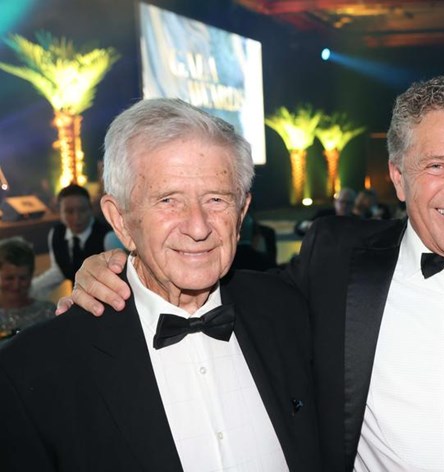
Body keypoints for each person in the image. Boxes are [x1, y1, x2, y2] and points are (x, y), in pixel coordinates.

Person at [65, 75, 444, 472]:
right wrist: (113, 264)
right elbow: (209, 278)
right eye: (436, 165)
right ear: (397, 176)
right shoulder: (335, 258)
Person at [0, 98, 320, 471]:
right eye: (169, 200)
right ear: (119, 221)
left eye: (216, 199)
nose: (198, 227)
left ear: (242, 211)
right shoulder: (34, 370)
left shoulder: (290, 310)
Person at [30, 183, 110, 298]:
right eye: (69, 211)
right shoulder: (57, 234)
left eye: (82, 210)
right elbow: (58, 271)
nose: (76, 217)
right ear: (59, 212)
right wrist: (28, 289)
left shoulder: (107, 235)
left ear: (91, 209)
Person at [0, 238, 53, 341]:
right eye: (9, 278)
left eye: (23, 278)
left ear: (31, 276)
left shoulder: (48, 312)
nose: (16, 285)